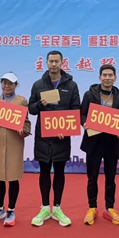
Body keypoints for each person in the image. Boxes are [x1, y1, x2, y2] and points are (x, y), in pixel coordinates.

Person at [28, 50, 80, 227]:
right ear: (46, 63)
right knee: (44, 171)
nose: (54, 64)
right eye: (51, 61)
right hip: (43, 136)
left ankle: (57, 207)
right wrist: (39, 104)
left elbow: (76, 110)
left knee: (59, 172)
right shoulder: (38, 85)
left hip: (61, 137)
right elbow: (31, 109)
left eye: (57, 61)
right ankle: (44, 207)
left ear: (62, 63)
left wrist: (66, 129)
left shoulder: (71, 86)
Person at [0, 72, 31, 227]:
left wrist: (23, 131)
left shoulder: (21, 101)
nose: (7, 86)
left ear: (16, 85)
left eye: (10, 83)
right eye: (4, 83)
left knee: (13, 177)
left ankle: (11, 210)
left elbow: (26, 123)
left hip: (14, 142)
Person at [80, 64, 119, 226]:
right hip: (93, 142)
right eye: (104, 75)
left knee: (111, 177)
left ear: (115, 78)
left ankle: (110, 208)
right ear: (99, 78)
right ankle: (92, 207)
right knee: (92, 177)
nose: (107, 78)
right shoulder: (89, 94)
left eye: (110, 75)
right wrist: (85, 123)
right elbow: (82, 113)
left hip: (112, 143)